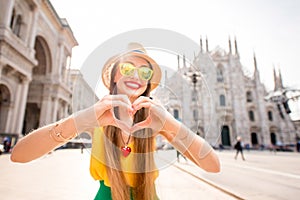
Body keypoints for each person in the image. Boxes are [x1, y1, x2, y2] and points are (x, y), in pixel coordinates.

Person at [10, 42, 220, 200]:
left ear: (147, 82)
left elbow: (213, 165)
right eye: (127, 68)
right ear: (114, 77)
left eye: (145, 72)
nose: (136, 75)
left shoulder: (155, 121)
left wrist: (170, 122)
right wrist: (83, 119)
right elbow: (19, 155)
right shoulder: (98, 117)